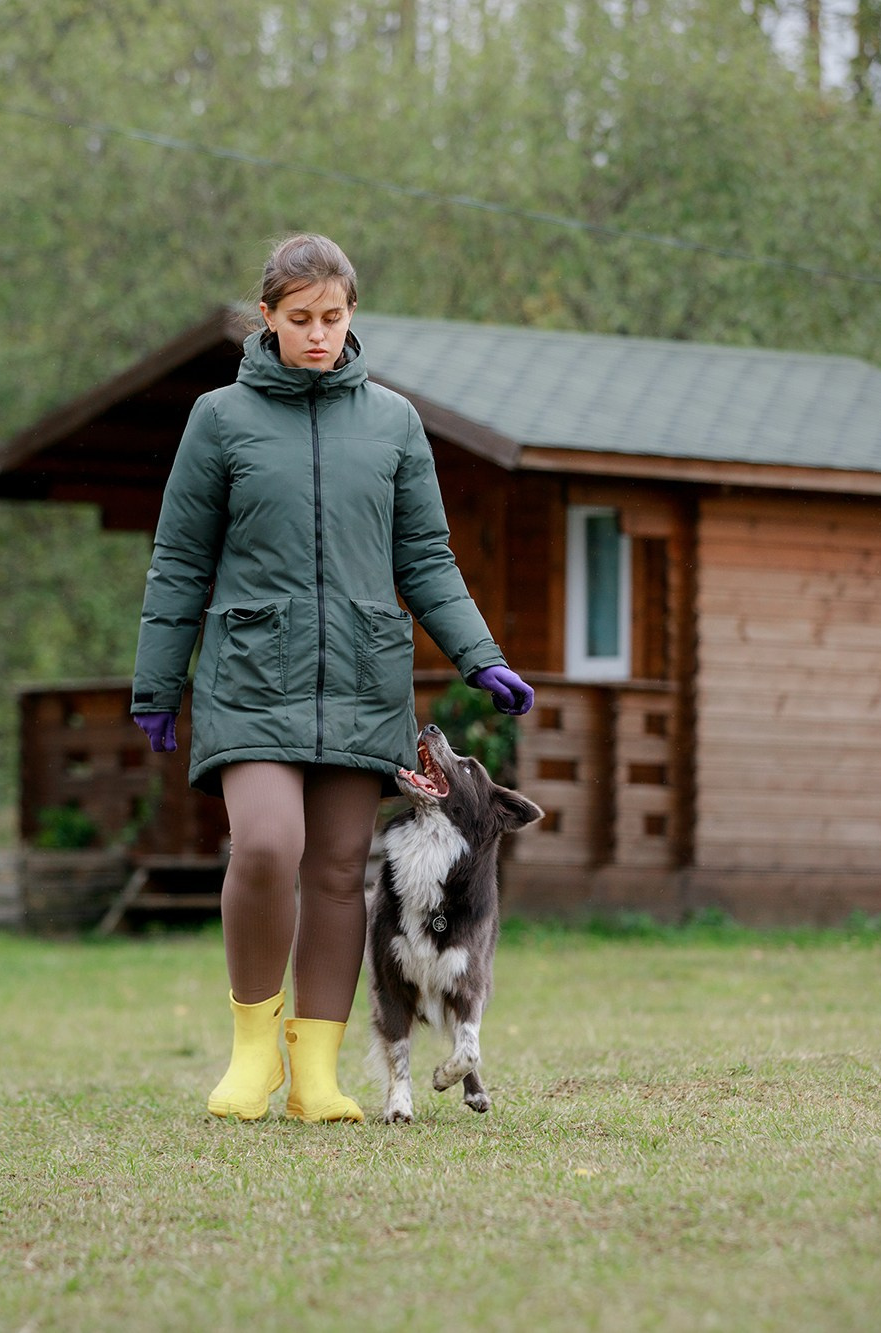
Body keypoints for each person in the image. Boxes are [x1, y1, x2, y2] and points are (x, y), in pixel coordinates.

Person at [130, 234, 534, 1123]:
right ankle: (251, 1054)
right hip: (251, 669)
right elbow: (180, 558)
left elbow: (425, 555)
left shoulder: (392, 422)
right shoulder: (219, 419)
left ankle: (315, 1070)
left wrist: (481, 652)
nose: (318, 334)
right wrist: (158, 683)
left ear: (352, 315)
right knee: (267, 846)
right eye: (300, 318)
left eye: (334, 316)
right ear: (267, 317)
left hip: (361, 672)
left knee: (342, 868)